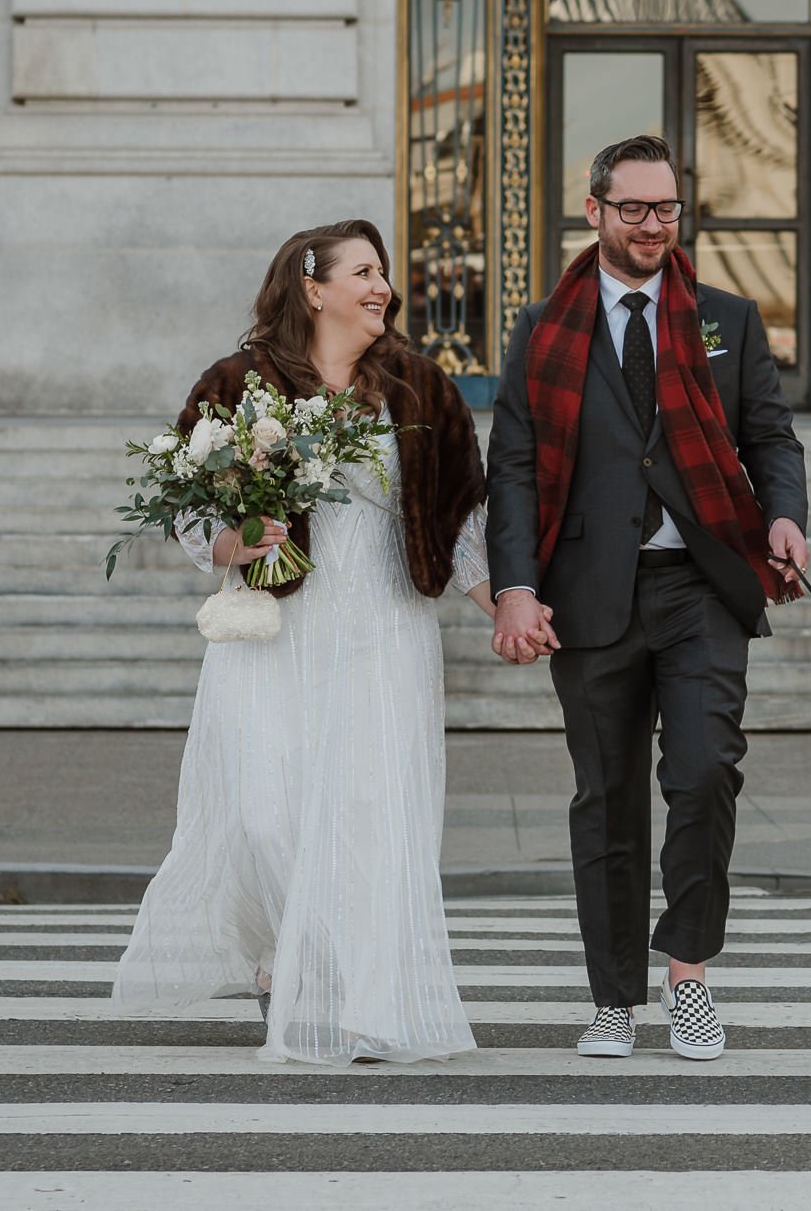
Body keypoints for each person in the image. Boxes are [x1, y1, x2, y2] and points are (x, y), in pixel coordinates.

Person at [112, 219, 495, 1064]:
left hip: (385, 626)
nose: (381, 287)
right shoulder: (237, 383)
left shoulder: (423, 388)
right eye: (363, 271)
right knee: (262, 810)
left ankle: (358, 997)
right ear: (312, 286)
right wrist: (228, 540)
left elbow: (462, 518)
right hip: (276, 628)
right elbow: (186, 500)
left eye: (384, 273)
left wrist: (503, 604)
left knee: (369, 819)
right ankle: (282, 948)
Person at [486, 134, 809, 1062]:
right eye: (633, 208)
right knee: (609, 796)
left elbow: (772, 438)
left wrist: (782, 515)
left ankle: (690, 970)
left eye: (666, 208)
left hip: (702, 581)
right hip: (589, 593)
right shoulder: (544, 326)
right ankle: (614, 996)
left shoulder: (726, 318)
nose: (652, 224)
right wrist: (514, 586)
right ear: (594, 211)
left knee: (705, 772)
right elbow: (512, 466)